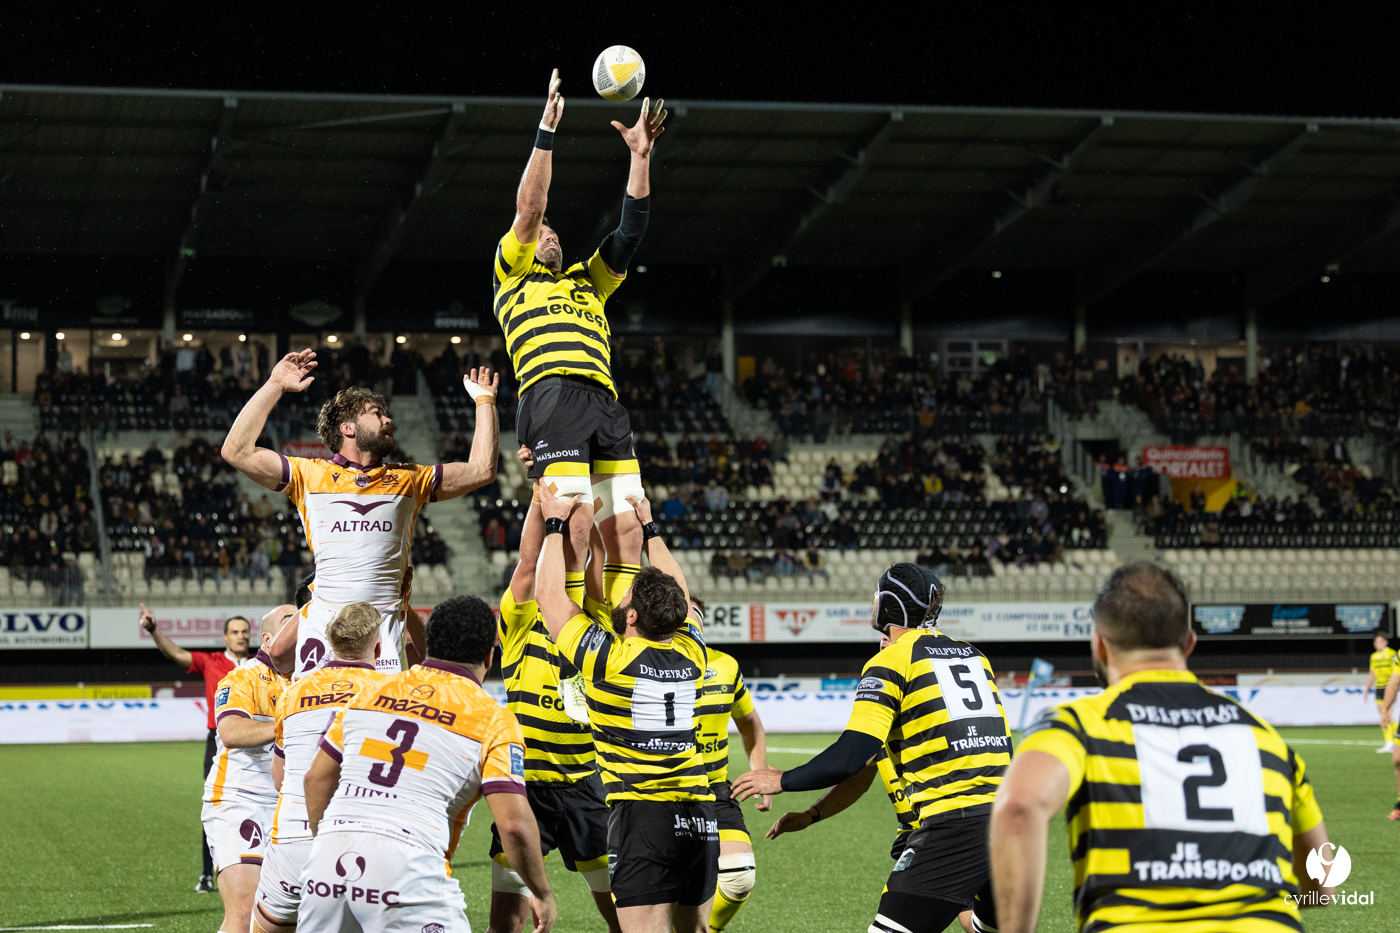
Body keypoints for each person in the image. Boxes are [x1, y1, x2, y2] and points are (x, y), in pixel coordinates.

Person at [990, 562, 1333, 932]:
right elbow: (1322, 885)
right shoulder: (1266, 737)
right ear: (1189, 643)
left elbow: (1019, 805)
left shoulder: (1079, 725)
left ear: (1100, 645)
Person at [731, 563, 1005, 933]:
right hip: (1007, 822)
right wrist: (812, 814)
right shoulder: (974, 656)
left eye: (877, 595)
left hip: (953, 824)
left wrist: (782, 779)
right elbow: (865, 767)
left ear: (889, 605)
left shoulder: (891, 660)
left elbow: (851, 755)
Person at [494, 68, 666, 613]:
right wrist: (546, 129)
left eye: (554, 234)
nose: (548, 235)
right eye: (541, 234)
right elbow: (529, 209)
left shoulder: (588, 282)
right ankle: (565, 646)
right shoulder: (512, 276)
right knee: (574, 525)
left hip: (604, 402)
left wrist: (640, 157)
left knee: (628, 534)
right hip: (552, 396)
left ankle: (614, 634)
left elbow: (630, 232)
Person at [220, 351, 499, 679]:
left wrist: (485, 402)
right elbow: (236, 451)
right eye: (376, 414)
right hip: (325, 627)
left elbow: (482, 470)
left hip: (384, 633)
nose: (388, 420)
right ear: (348, 428)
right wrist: (275, 385)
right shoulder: (309, 474)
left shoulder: (410, 478)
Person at [300, 596, 556, 933]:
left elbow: (315, 779)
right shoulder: (493, 719)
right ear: (489, 657)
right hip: (408, 866)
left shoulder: (370, 693)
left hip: (328, 862)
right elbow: (514, 826)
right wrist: (542, 892)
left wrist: (328, 843)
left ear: (429, 645)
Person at [535, 483, 717, 933]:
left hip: (642, 817)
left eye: (625, 599)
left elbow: (550, 597)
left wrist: (554, 523)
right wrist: (650, 528)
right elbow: (681, 593)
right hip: (700, 813)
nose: (619, 601)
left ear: (632, 617)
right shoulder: (693, 653)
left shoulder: (609, 660)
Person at [489, 488, 620, 933]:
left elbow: (592, 563)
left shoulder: (592, 624)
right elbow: (528, 566)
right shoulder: (522, 625)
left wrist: (587, 515)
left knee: (623, 918)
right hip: (526, 788)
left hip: (587, 785)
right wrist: (540, 504)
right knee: (506, 925)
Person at [251, 602, 386, 933]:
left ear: (331, 644)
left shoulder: (294, 692)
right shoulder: (390, 692)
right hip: (361, 842)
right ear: (378, 647)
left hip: (294, 838)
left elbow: (279, 776)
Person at [140, 606, 254, 893]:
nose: (240, 636)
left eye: (244, 631)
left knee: (259, 803)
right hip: (218, 740)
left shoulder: (259, 665)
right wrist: (153, 631)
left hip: (255, 740)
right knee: (215, 807)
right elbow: (175, 653)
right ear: (225, 637)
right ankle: (207, 874)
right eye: (235, 632)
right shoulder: (211, 661)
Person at [201, 604, 299, 933]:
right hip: (240, 800)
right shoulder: (243, 676)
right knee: (245, 915)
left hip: (291, 805)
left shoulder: (311, 680)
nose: (300, 623)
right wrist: (290, 724)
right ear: (268, 639)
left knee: (284, 921)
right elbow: (231, 732)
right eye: (290, 620)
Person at [691, 601, 769, 933]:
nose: (688, 619)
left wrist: (759, 771)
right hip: (660, 789)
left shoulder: (725, 666)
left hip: (715, 790)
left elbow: (750, 724)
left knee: (739, 877)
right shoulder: (643, 663)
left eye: (694, 613)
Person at [1364, 630, 1397, 753]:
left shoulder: (1392, 654)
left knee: (1388, 715)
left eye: (1380, 642)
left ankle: (1393, 742)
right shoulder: (1374, 656)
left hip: (1389, 688)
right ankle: (1389, 743)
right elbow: (1371, 673)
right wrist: (1367, 689)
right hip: (1379, 688)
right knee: (1383, 716)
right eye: (1376, 642)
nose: (1377, 644)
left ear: (1385, 642)